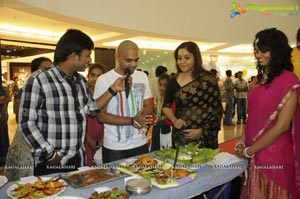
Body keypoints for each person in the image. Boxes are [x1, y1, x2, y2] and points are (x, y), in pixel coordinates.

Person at [19, 29, 127, 176]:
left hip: (78, 159)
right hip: (52, 161)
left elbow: (92, 108)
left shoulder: (80, 81)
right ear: (73, 56)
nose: (89, 60)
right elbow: (26, 122)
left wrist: (113, 89)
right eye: (87, 55)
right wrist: (49, 154)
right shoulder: (40, 80)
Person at [235, 28, 300, 198]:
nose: (258, 55)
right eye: (256, 50)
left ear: (277, 50)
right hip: (254, 150)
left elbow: (282, 126)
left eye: (264, 50)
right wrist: (242, 141)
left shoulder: (289, 80)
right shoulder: (259, 80)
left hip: (275, 154)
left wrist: (250, 150)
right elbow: (253, 117)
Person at [94, 40, 153, 163]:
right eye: (128, 60)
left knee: (143, 179)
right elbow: (101, 116)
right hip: (115, 147)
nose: (133, 64)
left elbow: (148, 105)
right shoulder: (104, 80)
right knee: (116, 181)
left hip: (140, 142)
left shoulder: (142, 76)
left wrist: (141, 117)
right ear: (117, 57)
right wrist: (131, 121)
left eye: (136, 60)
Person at [162, 41, 223, 149]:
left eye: (187, 57)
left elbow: (216, 110)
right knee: (181, 164)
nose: (182, 62)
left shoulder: (207, 80)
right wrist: (175, 121)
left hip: (204, 136)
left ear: (196, 58)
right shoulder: (173, 81)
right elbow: (166, 107)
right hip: (181, 135)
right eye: (179, 58)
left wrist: (201, 131)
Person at [5, 57, 52, 181]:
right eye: (46, 69)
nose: (49, 72)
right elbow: (20, 114)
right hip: (29, 134)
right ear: (35, 71)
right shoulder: (29, 87)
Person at [14, 57, 52, 123]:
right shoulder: (26, 89)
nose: (49, 72)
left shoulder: (51, 88)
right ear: (34, 72)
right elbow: (20, 117)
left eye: (51, 69)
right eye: (45, 69)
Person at [84, 63, 105, 166]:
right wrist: (87, 138)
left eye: (99, 76)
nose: (95, 79)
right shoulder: (82, 93)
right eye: (92, 75)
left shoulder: (107, 95)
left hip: (103, 133)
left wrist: (104, 138)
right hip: (85, 134)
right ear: (88, 76)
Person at [150, 73, 171, 151]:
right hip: (155, 130)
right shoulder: (154, 100)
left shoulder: (172, 101)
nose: (162, 88)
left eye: (165, 85)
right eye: (160, 85)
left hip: (168, 131)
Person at [0, 81, 10, 166]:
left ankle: (3, 159)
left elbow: (7, 98)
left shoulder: (1, 88)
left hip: (1, 117)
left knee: (3, 137)